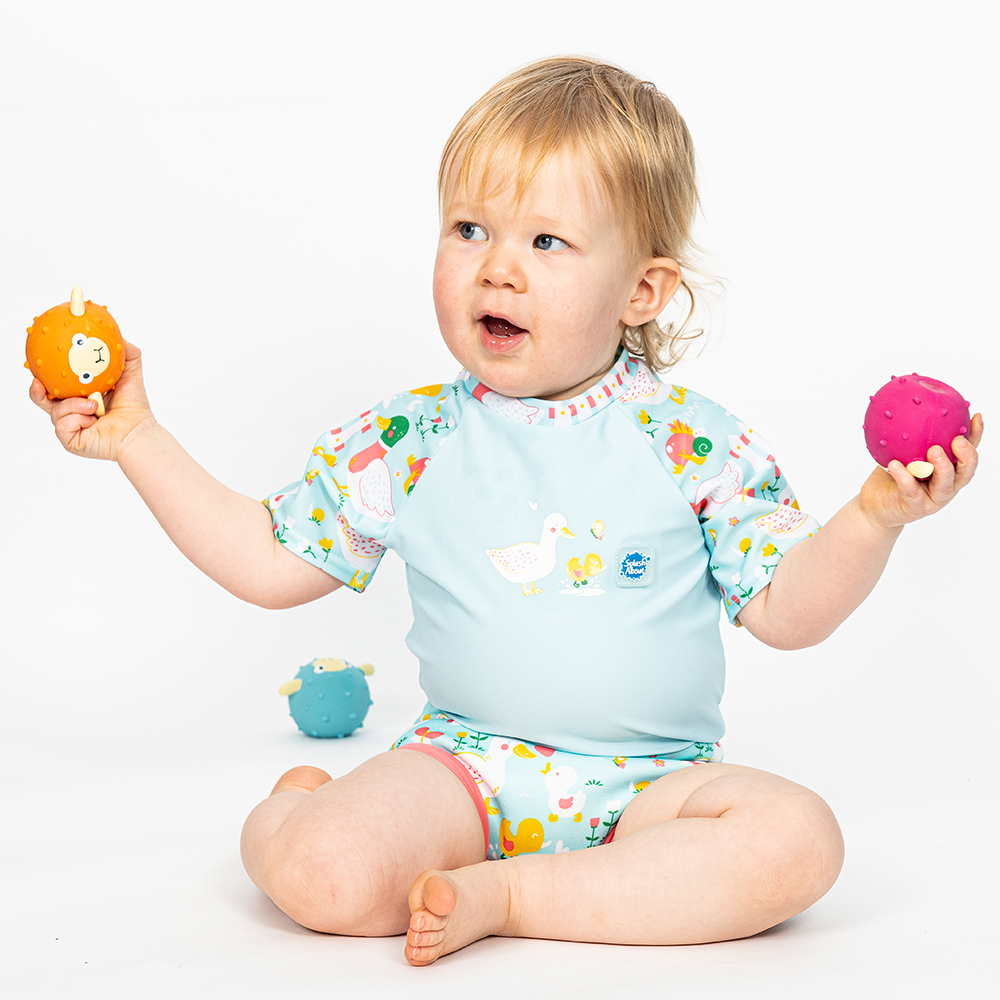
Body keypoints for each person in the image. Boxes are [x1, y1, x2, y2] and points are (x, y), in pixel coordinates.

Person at [31, 57, 982, 967]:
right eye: (469, 230)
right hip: (466, 772)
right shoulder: (410, 440)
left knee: (797, 842)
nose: (498, 270)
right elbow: (266, 560)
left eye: (547, 241)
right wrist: (136, 441)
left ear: (641, 291)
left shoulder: (695, 443)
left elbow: (789, 610)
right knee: (324, 877)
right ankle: (296, 807)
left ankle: (514, 897)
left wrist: (873, 517)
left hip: (653, 786)